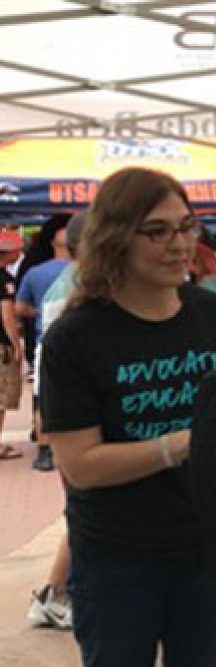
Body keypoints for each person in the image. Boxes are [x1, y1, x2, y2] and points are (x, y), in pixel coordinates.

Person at [40, 168, 216, 667]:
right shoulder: (76, 338)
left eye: (187, 227)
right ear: (116, 239)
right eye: (158, 231)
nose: (180, 245)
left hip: (206, 550)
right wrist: (180, 444)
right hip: (116, 559)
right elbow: (81, 464)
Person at [24, 211, 88, 631]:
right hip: (72, 415)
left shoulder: (66, 282)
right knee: (81, 511)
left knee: (79, 510)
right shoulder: (80, 290)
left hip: (58, 405)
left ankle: (59, 591)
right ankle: (54, 593)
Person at [17, 216, 73, 472]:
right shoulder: (90, 270)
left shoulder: (35, 272)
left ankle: (44, 452)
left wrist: (39, 312)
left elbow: (20, 307)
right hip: (84, 342)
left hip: (47, 341)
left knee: (44, 399)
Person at [0, 230, 24, 461]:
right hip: (0, 346)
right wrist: (16, 344)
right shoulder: (5, 280)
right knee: (1, 396)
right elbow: (7, 315)